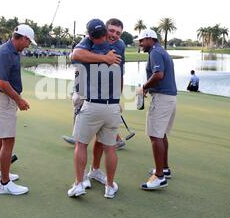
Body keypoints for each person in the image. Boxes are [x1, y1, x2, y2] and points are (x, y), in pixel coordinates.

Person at [69, 18, 126, 189]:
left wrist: (118, 97)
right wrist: (105, 59)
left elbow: (120, 74)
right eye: (112, 31)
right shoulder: (88, 40)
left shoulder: (120, 45)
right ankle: (81, 180)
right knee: (83, 141)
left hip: (109, 100)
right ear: (104, 30)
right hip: (84, 95)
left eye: (118, 33)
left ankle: (94, 170)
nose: (114, 35)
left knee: (102, 141)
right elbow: (75, 55)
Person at [0, 24, 36, 196]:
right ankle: (4, 183)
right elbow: (0, 80)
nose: (28, 45)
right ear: (22, 38)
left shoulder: (13, 52)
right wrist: (19, 99)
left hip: (4, 101)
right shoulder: (6, 52)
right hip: (3, 101)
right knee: (8, 142)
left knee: (3, 140)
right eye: (28, 41)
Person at [136, 29, 177, 190]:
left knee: (154, 136)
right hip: (169, 97)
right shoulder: (161, 51)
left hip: (162, 98)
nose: (140, 44)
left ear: (149, 39)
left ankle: (159, 177)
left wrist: (143, 87)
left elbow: (158, 75)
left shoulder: (155, 52)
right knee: (161, 135)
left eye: (141, 41)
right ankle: (164, 169)